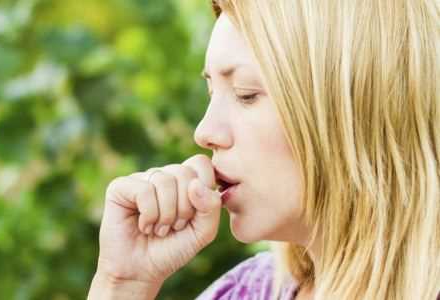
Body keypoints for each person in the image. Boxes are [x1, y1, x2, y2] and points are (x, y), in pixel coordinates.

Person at [87, 0, 440, 299]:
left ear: (354, 106)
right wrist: (122, 286)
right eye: (212, 93)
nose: (205, 132)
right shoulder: (247, 291)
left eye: (245, 94)